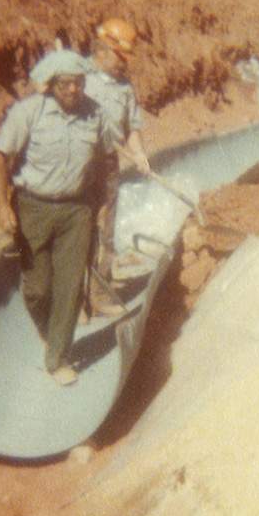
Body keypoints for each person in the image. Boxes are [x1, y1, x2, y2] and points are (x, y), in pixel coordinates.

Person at [0, 49, 111, 386]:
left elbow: (102, 160)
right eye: (65, 84)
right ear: (51, 84)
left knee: (71, 288)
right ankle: (47, 329)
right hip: (33, 208)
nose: (73, 90)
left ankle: (57, 357)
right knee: (38, 290)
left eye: (79, 83)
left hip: (76, 210)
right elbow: (0, 159)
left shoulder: (95, 115)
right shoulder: (28, 112)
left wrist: (101, 201)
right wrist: (2, 205)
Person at [83, 18, 152, 308]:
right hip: (79, 166)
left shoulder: (124, 87)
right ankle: (77, 300)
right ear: (102, 49)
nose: (124, 64)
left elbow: (132, 127)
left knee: (105, 230)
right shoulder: (78, 76)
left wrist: (138, 153)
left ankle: (100, 293)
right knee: (80, 230)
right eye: (120, 57)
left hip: (108, 166)